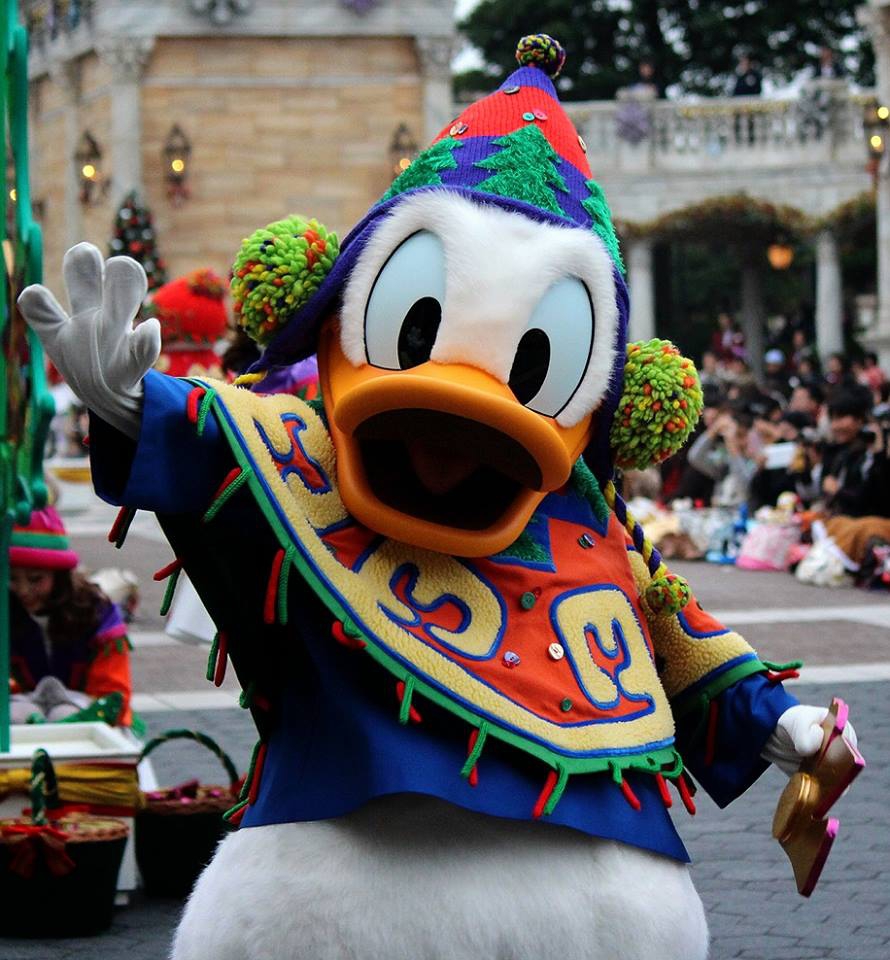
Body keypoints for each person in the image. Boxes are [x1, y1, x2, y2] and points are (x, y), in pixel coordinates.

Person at [8, 507, 132, 726]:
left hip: (89, 713)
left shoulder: (98, 613)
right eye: (12, 578)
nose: (23, 590)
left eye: (35, 579)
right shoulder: (4, 611)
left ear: (59, 575)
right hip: (22, 712)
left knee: (64, 716)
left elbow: (112, 694)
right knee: (15, 715)